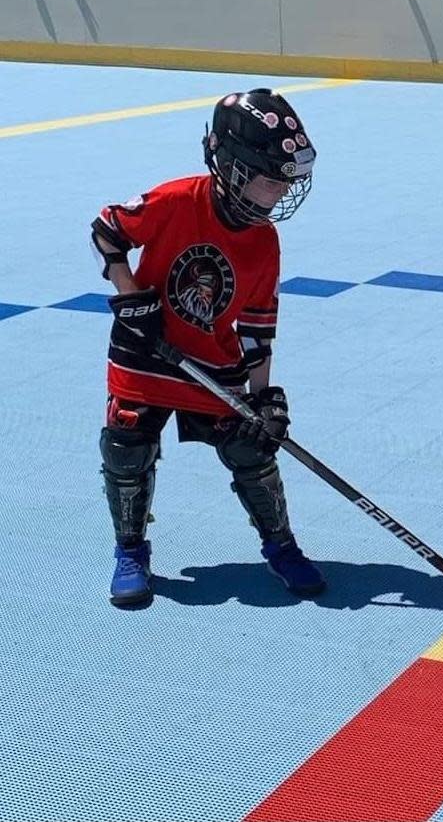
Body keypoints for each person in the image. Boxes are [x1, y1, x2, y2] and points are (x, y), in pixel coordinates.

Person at [90, 89, 325, 608]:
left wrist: (263, 397)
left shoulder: (263, 241)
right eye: (271, 179)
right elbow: (107, 230)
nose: (279, 191)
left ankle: (281, 545)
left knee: (251, 444)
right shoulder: (176, 201)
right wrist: (133, 300)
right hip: (143, 354)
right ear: (233, 167)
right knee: (127, 447)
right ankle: (130, 550)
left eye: (287, 180)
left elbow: (258, 323)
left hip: (211, 362)